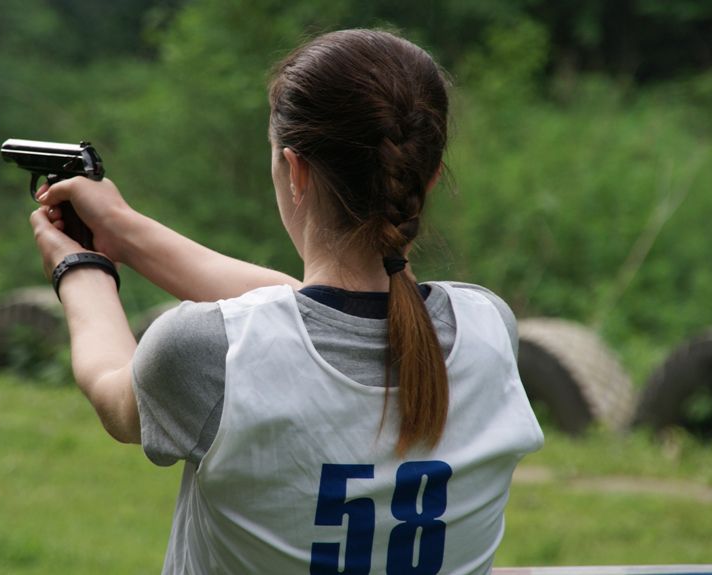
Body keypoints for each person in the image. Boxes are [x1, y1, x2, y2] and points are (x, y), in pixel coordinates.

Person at [29, 28, 543, 575]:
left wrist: (78, 267)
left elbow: (112, 388)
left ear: (295, 172)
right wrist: (125, 232)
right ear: (431, 177)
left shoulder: (208, 356)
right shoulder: (488, 330)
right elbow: (315, 315)